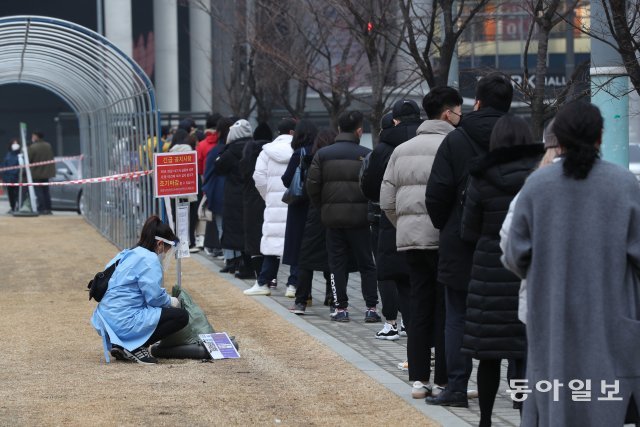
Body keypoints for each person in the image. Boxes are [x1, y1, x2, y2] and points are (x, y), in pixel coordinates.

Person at [502, 100, 640, 426]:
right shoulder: (625, 185)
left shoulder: (537, 186)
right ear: (600, 137)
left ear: (558, 138)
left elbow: (513, 254)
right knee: (608, 403)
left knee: (556, 400)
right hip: (612, 318)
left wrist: (545, 272)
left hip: (551, 317)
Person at [425, 72, 513, 407]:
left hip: (460, 240)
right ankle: (520, 393)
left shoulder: (456, 139)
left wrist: (447, 225)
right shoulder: (521, 137)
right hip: (510, 242)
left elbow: (436, 194)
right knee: (515, 315)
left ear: (477, 102)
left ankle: (457, 388)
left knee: (457, 314)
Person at [460, 114, 543, 426]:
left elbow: (468, 230)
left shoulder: (481, 176)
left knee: (489, 356)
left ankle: (484, 420)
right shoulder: (539, 175)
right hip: (527, 269)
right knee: (522, 355)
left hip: (488, 271)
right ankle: (524, 417)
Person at [380, 86, 462, 399]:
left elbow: (386, 199)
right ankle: (442, 379)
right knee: (444, 310)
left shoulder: (402, 149)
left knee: (418, 307)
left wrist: (404, 226)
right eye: (457, 110)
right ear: (447, 113)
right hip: (444, 241)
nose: (460, 115)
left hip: (410, 240)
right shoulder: (455, 144)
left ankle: (418, 380)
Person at [306, 110, 379, 322]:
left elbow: (312, 186)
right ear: (359, 130)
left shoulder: (323, 154)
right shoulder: (367, 154)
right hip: (360, 219)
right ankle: (371, 308)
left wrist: (324, 207)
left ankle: (340, 308)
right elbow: (374, 185)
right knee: (367, 263)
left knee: (336, 263)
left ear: (339, 129)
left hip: (333, 219)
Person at [90, 215, 188, 365]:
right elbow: (154, 298)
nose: (165, 254)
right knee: (181, 316)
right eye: (166, 250)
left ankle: (120, 345)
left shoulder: (127, 253)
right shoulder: (149, 259)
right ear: (160, 244)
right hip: (123, 321)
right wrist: (171, 301)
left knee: (156, 312)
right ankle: (135, 347)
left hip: (106, 320)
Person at [361, 99, 422, 338]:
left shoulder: (385, 148)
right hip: (432, 222)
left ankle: (395, 323)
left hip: (393, 220)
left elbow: (372, 186)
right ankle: (419, 331)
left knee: (393, 274)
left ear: (394, 120)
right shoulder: (438, 141)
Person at [288, 129, 338, 314]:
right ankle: (333, 298)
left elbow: (310, 189)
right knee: (334, 259)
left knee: (306, 259)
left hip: (314, 214)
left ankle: (301, 301)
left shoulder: (311, 161)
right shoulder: (338, 162)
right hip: (336, 214)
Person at [244, 118, 296, 296]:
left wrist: (268, 196)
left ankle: (263, 281)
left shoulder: (267, 152)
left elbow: (258, 177)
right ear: (293, 132)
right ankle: (293, 285)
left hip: (273, 203)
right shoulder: (300, 150)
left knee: (272, 243)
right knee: (294, 243)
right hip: (295, 203)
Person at [281, 120, 318, 303]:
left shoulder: (299, 153)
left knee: (298, 249)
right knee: (312, 248)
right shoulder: (320, 152)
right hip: (315, 205)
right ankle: (323, 293)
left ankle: (297, 286)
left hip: (298, 205)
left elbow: (287, 179)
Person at [215, 119, 255, 278]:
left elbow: (218, 168)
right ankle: (253, 266)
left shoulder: (230, 152)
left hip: (234, 197)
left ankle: (245, 266)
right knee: (252, 231)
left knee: (237, 232)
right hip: (253, 194)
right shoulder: (256, 147)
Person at [237, 123, 272, 280]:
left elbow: (242, 176)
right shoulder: (272, 153)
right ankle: (272, 278)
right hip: (270, 200)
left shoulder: (248, 154)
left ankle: (260, 277)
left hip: (250, 201)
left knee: (254, 240)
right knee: (271, 237)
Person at [27, 131, 55, 215]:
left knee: (39, 192)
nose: (32, 138)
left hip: (36, 173)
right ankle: (48, 208)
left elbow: (28, 159)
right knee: (46, 191)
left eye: (33, 136)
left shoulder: (33, 147)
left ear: (36, 137)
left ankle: (41, 208)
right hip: (47, 172)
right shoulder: (48, 145)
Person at [2, 138, 21, 212]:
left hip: (17, 178)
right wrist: (4, 177)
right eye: (13, 143)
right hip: (8, 178)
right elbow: (4, 166)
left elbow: (20, 167)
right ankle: (12, 207)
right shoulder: (8, 154)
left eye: (16, 143)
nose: (15, 145)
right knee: (10, 194)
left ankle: (18, 206)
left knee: (17, 194)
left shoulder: (20, 155)